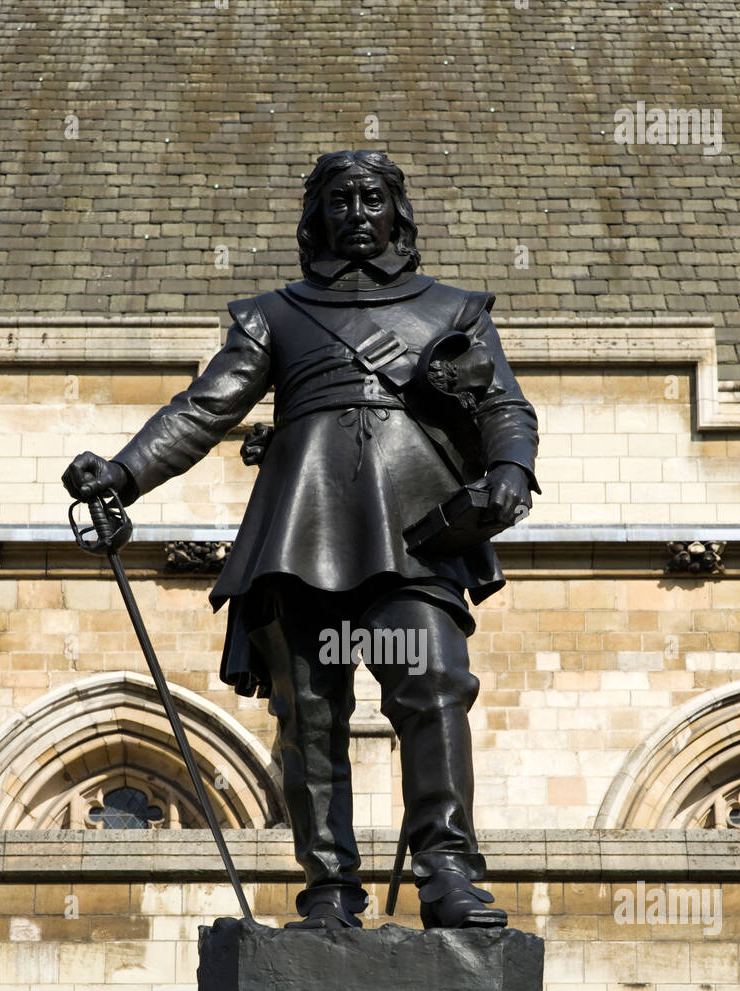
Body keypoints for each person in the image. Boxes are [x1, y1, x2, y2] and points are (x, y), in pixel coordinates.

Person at [63, 150, 540, 931]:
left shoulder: (452, 310)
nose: (357, 213)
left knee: (433, 687)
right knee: (309, 714)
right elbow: (202, 411)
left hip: (416, 531)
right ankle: (327, 891)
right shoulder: (274, 315)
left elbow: (502, 408)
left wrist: (514, 469)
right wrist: (122, 472)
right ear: (317, 218)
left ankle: (448, 873)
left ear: (397, 214)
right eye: (341, 200)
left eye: (373, 198)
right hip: (303, 530)